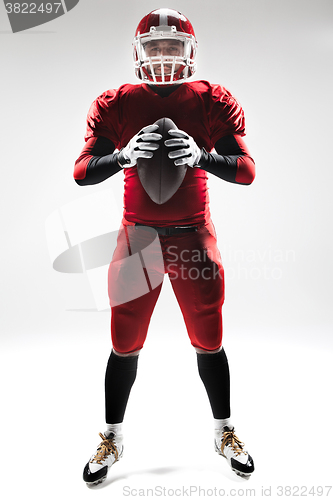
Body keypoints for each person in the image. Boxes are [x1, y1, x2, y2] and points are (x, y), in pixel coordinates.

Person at [74, 8, 256, 486]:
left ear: (188, 52)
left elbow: (246, 170)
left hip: (193, 235)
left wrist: (203, 156)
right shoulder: (114, 103)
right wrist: (120, 157)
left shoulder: (213, 99)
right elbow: (81, 172)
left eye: (171, 46)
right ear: (139, 53)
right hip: (139, 238)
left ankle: (224, 430)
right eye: (153, 46)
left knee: (210, 340)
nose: (162, 54)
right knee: (124, 343)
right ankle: (112, 435)